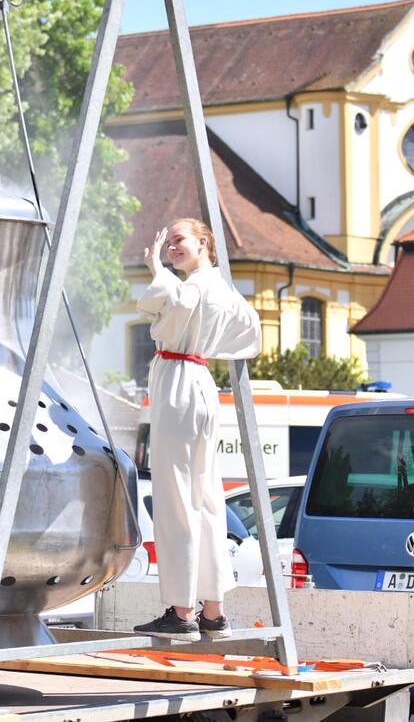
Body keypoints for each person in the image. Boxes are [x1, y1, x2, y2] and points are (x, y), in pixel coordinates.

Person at [132, 218, 263, 642]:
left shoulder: (196, 286)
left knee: (176, 498)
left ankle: (183, 610)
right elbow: (249, 329)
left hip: (180, 383)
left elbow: (174, 305)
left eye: (178, 240)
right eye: (167, 243)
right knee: (205, 497)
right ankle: (213, 610)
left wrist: (156, 269)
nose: (171, 247)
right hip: (200, 380)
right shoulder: (220, 286)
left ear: (203, 242)